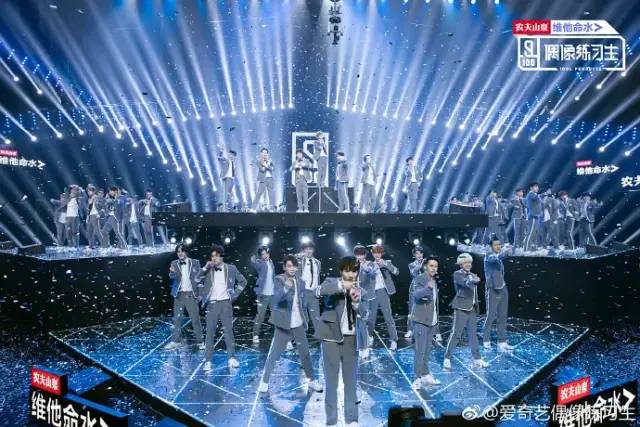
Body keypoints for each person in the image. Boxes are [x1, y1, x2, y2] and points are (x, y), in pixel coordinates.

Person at [315, 256, 368, 426]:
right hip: (330, 338)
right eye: (347, 270)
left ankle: (352, 419)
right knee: (331, 383)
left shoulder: (360, 290)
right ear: (341, 271)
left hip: (351, 340)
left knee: (350, 382)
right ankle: (331, 421)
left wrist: (356, 303)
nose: (350, 274)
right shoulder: (331, 282)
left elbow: (365, 314)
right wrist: (341, 286)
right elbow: (318, 292)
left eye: (354, 271)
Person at [258, 255, 323, 393]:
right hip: (283, 324)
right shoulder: (279, 279)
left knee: (305, 353)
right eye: (289, 266)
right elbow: (276, 299)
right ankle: (265, 381)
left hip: (298, 323)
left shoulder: (301, 282)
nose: (292, 268)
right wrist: (285, 289)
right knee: (275, 354)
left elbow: (302, 302)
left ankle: (312, 380)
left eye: (294, 266)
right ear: (284, 267)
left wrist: (305, 319)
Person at [200, 244, 248, 371]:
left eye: (216, 256)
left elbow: (243, 281)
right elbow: (195, 279)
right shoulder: (208, 269)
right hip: (212, 305)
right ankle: (208, 361)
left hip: (226, 304)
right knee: (210, 333)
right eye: (212, 256)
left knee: (228, 332)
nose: (214, 258)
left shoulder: (231, 268)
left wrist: (234, 295)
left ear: (222, 256)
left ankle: (231, 358)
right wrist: (204, 268)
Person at [443, 253, 488, 370]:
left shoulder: (473, 275)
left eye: (469, 262)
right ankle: (447, 358)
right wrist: (473, 280)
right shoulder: (457, 274)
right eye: (465, 262)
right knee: (456, 334)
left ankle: (477, 358)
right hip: (461, 307)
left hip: (472, 308)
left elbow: (474, 291)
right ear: (461, 264)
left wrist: (476, 305)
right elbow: (466, 283)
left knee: (473, 335)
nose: (468, 264)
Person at [165, 244, 205, 350]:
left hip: (191, 294)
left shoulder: (195, 262)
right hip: (179, 295)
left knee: (195, 319)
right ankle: (175, 341)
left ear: (186, 252)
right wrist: (172, 272)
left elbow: (200, 279)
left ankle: (200, 342)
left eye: (182, 251)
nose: (180, 253)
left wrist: (200, 294)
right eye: (178, 252)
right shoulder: (174, 263)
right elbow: (172, 277)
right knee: (177, 319)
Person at [412, 256, 442, 389]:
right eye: (431, 266)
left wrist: (436, 321)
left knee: (427, 350)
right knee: (420, 351)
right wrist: (427, 288)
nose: (434, 268)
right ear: (425, 267)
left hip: (431, 321)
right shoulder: (420, 278)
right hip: (420, 320)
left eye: (435, 266)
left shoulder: (433, 281)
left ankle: (425, 374)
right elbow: (417, 295)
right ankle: (417, 378)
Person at [482, 237, 514, 351]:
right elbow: (497, 257)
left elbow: (501, 257)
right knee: (491, 316)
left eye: (499, 244)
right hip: (493, 290)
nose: (498, 246)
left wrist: (508, 251)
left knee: (502, 316)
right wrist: (505, 251)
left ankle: (502, 341)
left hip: (503, 288)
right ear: (491, 247)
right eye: (496, 245)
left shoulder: (498, 258)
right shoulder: (488, 257)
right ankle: (486, 339)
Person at [367, 244, 399, 351]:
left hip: (383, 292)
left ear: (382, 253)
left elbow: (396, 272)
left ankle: (394, 340)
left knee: (388, 316)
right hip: (372, 293)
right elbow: (367, 276)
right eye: (375, 252)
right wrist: (372, 270)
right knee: (371, 317)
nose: (377, 255)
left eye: (379, 252)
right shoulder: (369, 264)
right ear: (372, 253)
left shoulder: (387, 262)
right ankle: (369, 337)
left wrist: (385, 264)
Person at [250, 246, 276, 343]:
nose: (265, 256)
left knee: (276, 316)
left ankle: (280, 335)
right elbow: (255, 265)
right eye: (263, 254)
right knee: (260, 316)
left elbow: (273, 276)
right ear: (260, 256)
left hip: (272, 294)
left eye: (266, 253)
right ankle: (255, 335)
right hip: (263, 295)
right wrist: (253, 261)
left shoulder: (271, 262)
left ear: (269, 254)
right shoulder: (259, 263)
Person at [353, 245, 375, 359]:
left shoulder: (369, 264)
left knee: (363, 322)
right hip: (354, 295)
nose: (360, 257)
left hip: (365, 296)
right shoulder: (352, 264)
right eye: (358, 254)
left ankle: (365, 347)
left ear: (365, 255)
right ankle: (360, 347)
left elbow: (373, 275)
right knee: (357, 324)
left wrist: (367, 269)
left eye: (361, 254)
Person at [296, 241, 322, 332]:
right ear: (303, 250)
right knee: (302, 314)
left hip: (314, 292)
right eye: (306, 249)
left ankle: (320, 336)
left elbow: (317, 277)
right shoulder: (300, 261)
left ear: (313, 250)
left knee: (316, 316)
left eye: (310, 249)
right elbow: (290, 260)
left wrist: (318, 290)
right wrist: (298, 256)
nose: (308, 251)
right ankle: (301, 334)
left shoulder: (317, 262)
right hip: (303, 291)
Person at [405, 246, 425, 339]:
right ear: (414, 255)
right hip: (414, 288)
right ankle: (410, 330)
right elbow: (413, 273)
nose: (419, 255)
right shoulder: (411, 264)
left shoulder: (427, 263)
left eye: (420, 253)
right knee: (412, 310)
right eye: (417, 253)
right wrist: (419, 266)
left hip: (425, 288)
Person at [523, 182, 543, 252]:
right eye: (535, 186)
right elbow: (536, 198)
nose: (537, 188)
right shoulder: (530, 194)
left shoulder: (534, 194)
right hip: (533, 216)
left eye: (537, 187)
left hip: (536, 216)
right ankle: (526, 250)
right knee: (530, 233)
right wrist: (544, 193)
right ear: (531, 188)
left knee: (533, 233)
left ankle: (532, 248)